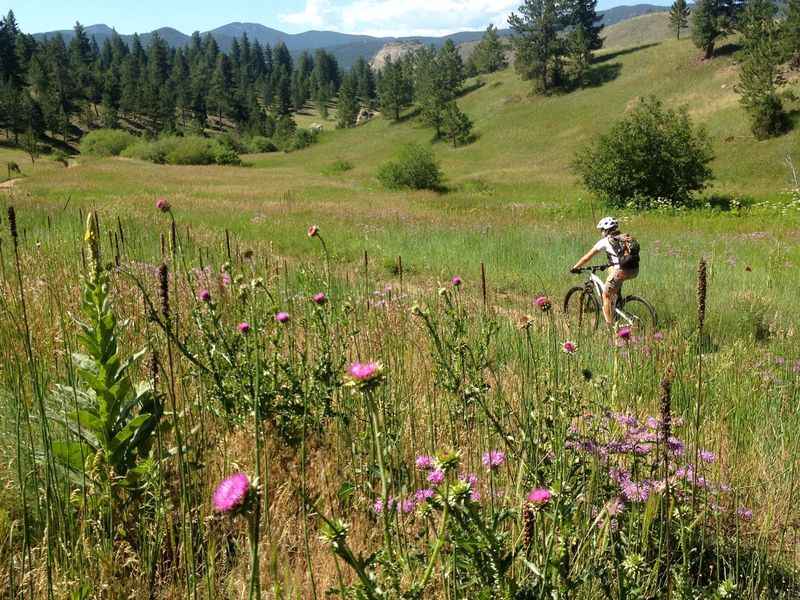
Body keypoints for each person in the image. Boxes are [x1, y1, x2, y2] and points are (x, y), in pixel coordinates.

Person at [571, 216, 639, 325]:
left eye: (602, 230)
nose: (601, 232)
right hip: (634, 270)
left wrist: (575, 267)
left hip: (620, 271)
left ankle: (610, 327)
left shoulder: (605, 241)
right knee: (612, 273)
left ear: (606, 230)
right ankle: (617, 302)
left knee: (605, 296)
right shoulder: (625, 237)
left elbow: (587, 257)